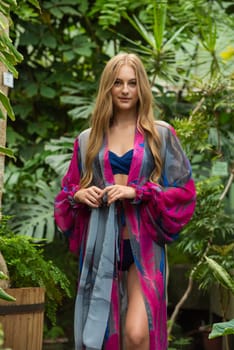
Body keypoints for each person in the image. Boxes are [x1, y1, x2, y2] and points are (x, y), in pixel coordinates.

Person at [54, 53, 196, 350]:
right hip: (100, 248)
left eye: (132, 83)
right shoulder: (87, 139)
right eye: (118, 83)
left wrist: (140, 191)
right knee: (102, 337)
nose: (125, 90)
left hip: (142, 248)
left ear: (141, 87)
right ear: (108, 87)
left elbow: (184, 193)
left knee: (135, 334)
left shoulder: (160, 135)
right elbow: (67, 196)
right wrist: (80, 195)